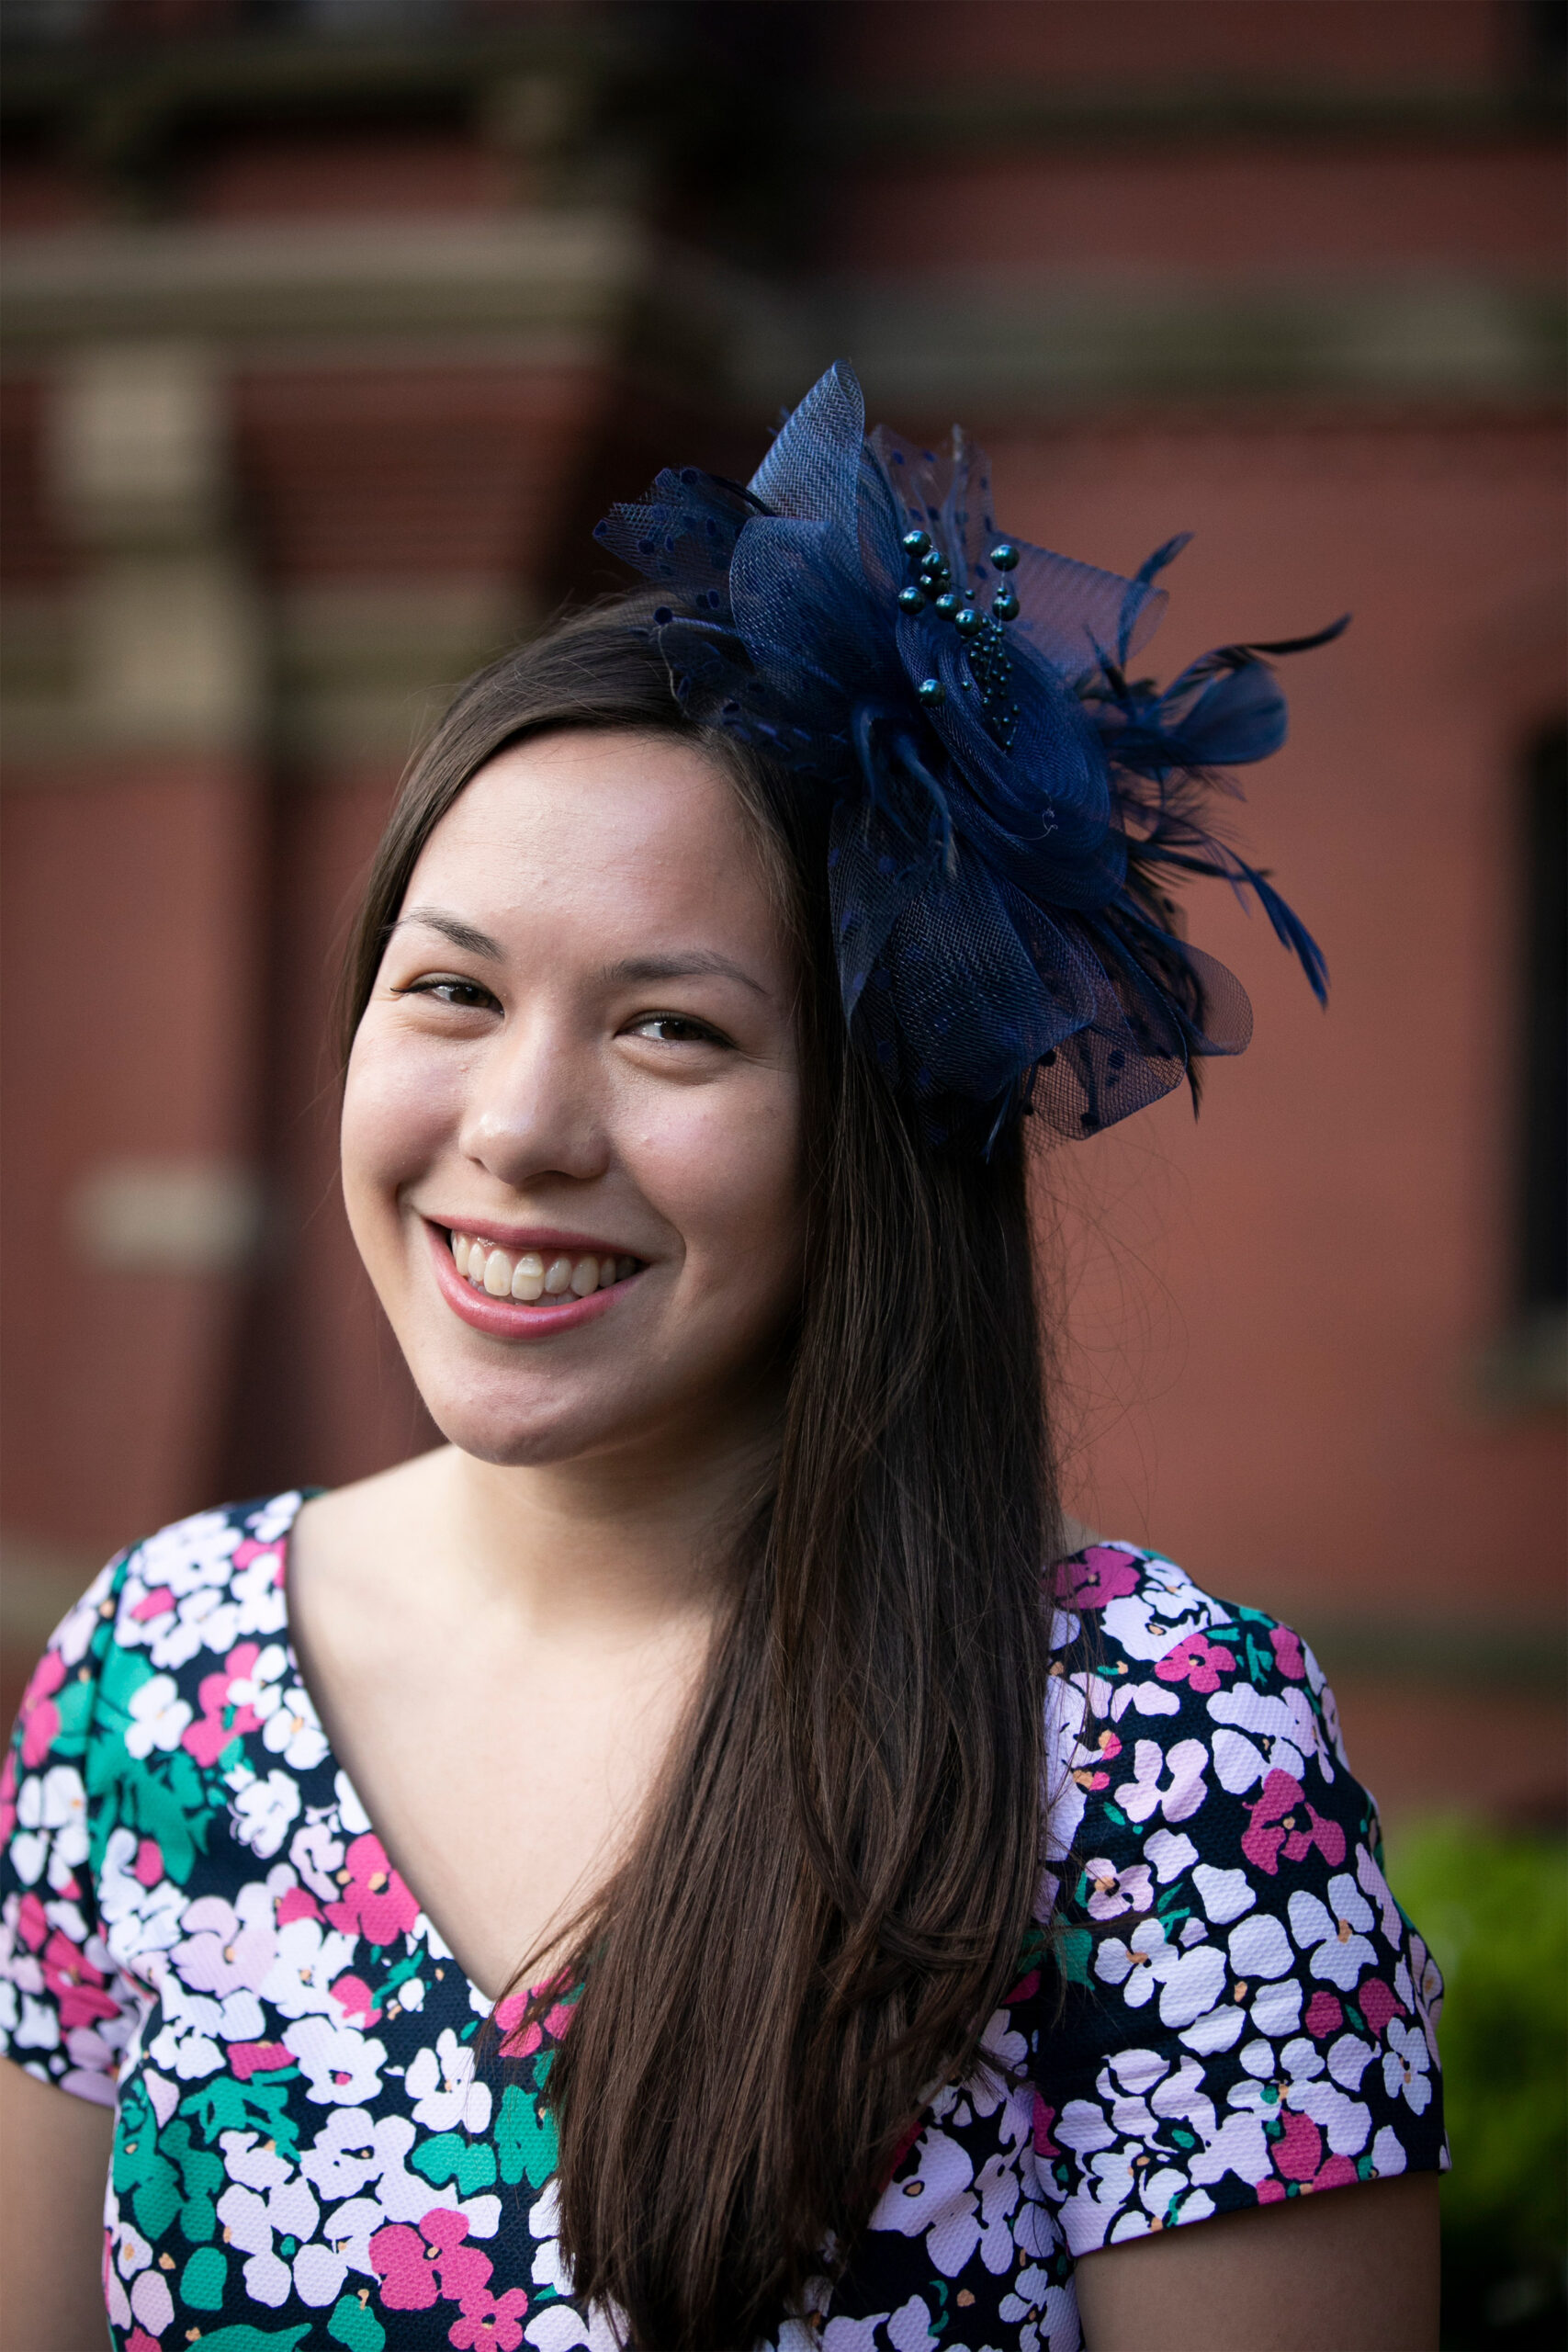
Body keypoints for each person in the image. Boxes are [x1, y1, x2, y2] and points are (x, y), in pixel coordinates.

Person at [0, 364, 1443, 2351]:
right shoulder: (152, 1675)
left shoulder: (1156, 1764)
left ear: (865, 1122)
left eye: (669, 1027)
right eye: (449, 989)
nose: (516, 1126)